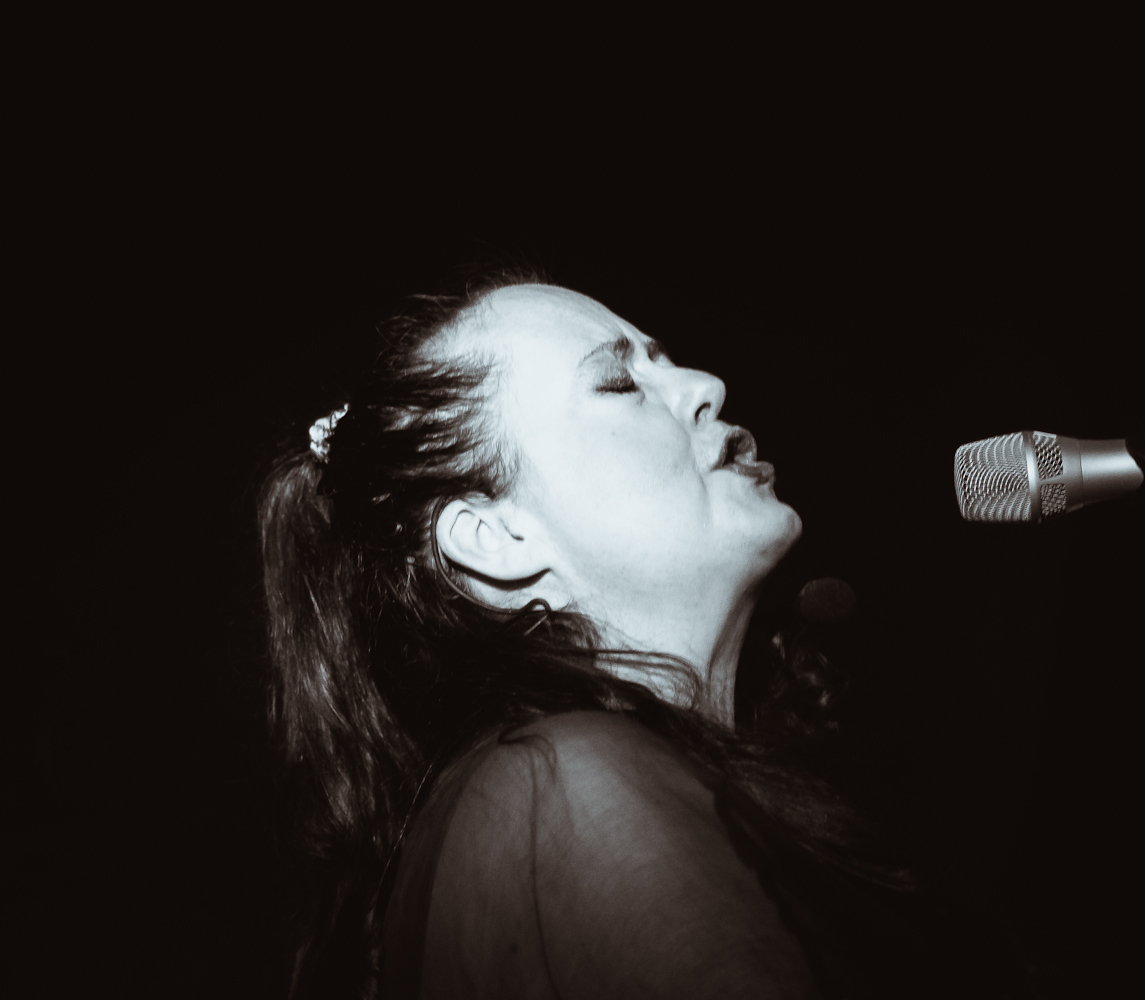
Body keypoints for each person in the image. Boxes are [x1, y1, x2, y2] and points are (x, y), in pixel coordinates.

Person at [258, 271, 943, 999]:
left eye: (666, 360)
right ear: (496, 538)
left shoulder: (589, 784)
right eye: (619, 383)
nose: (706, 386)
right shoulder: (568, 784)